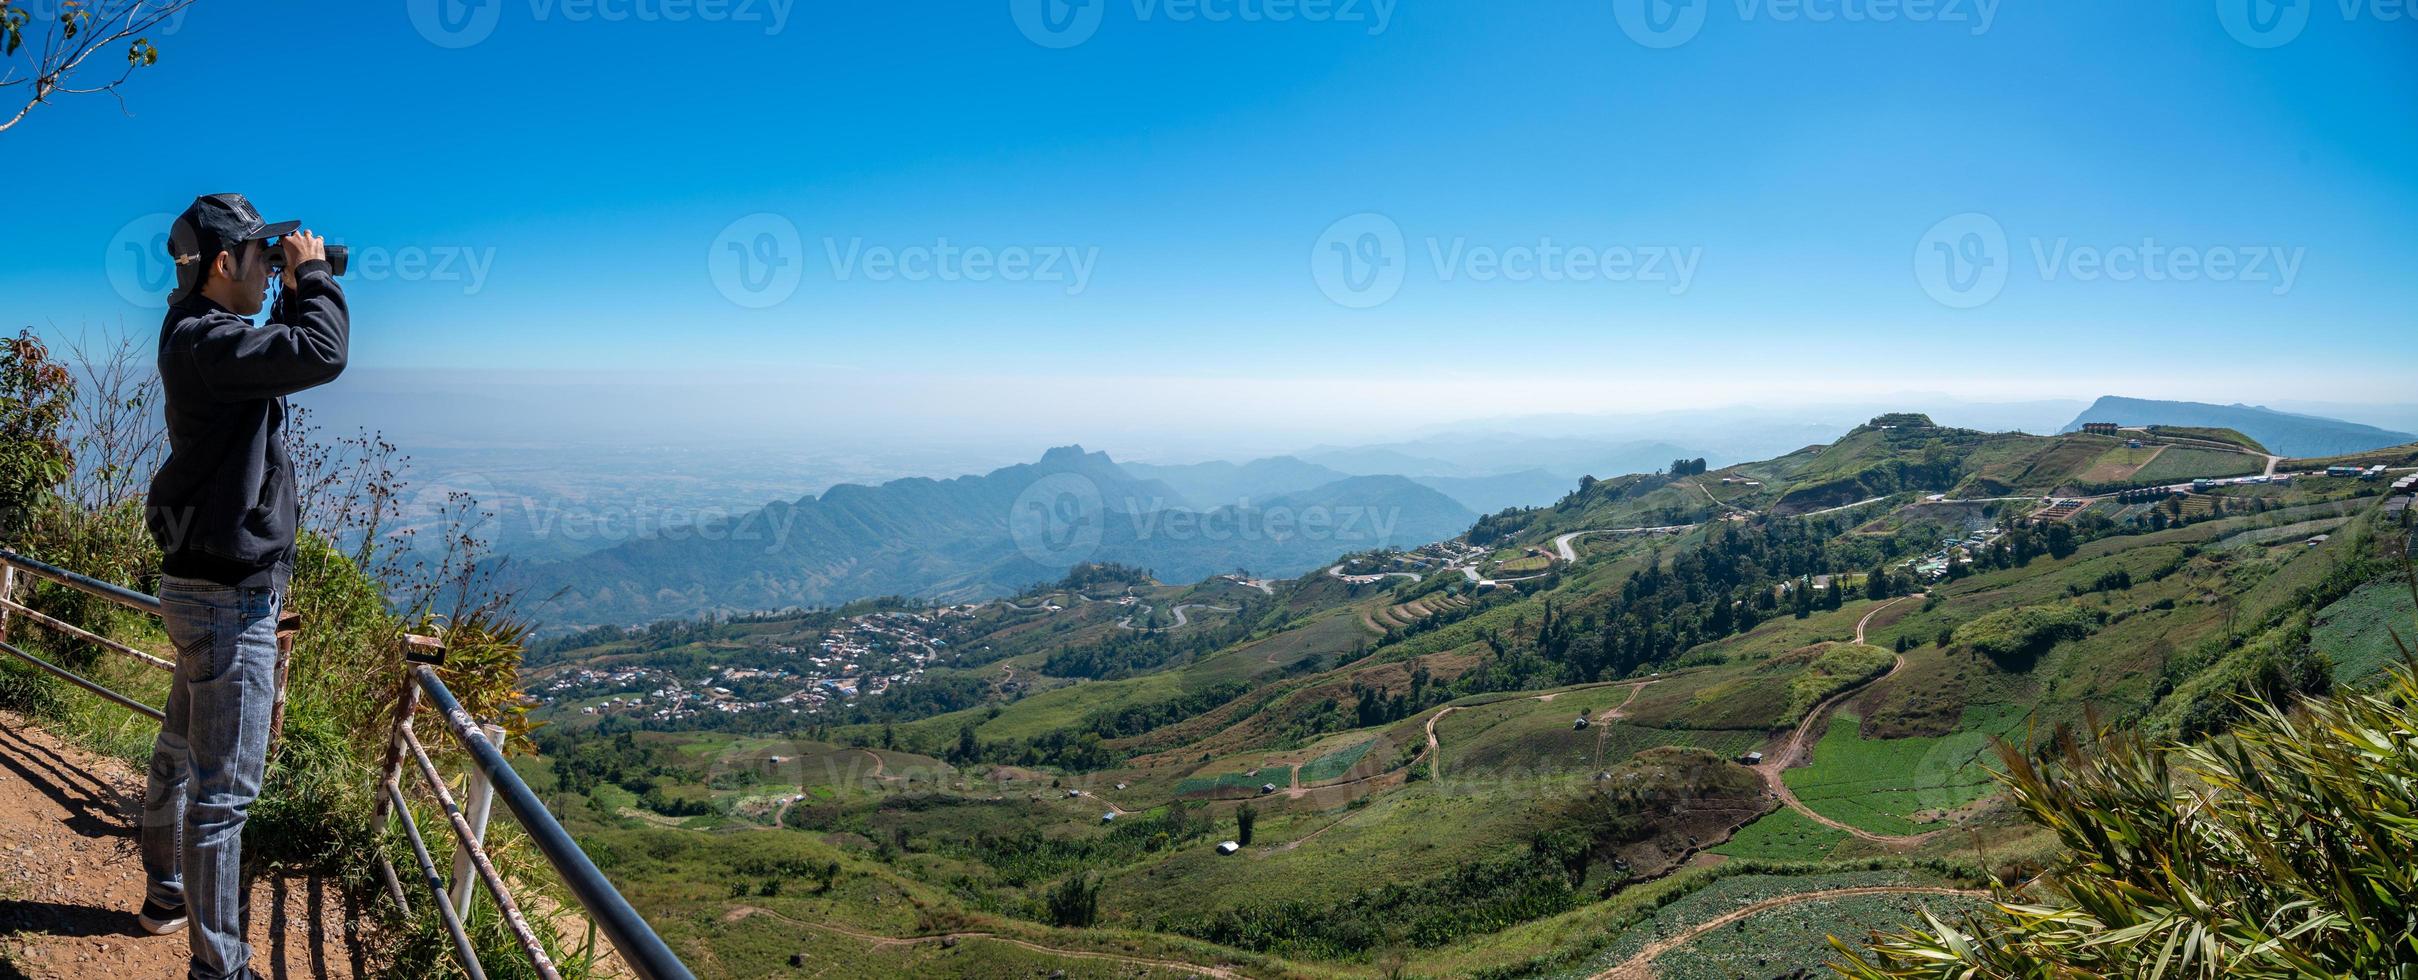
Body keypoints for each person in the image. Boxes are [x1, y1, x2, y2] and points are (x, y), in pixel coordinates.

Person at [139, 193, 347, 980]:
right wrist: (317, 277)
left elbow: (290, 346)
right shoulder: (208, 343)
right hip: (231, 599)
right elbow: (322, 353)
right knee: (223, 796)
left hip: (201, 586)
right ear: (223, 263)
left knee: (177, 753)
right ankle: (219, 968)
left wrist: (297, 282)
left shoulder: (198, 335)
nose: (268, 272)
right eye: (259, 259)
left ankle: (164, 894)